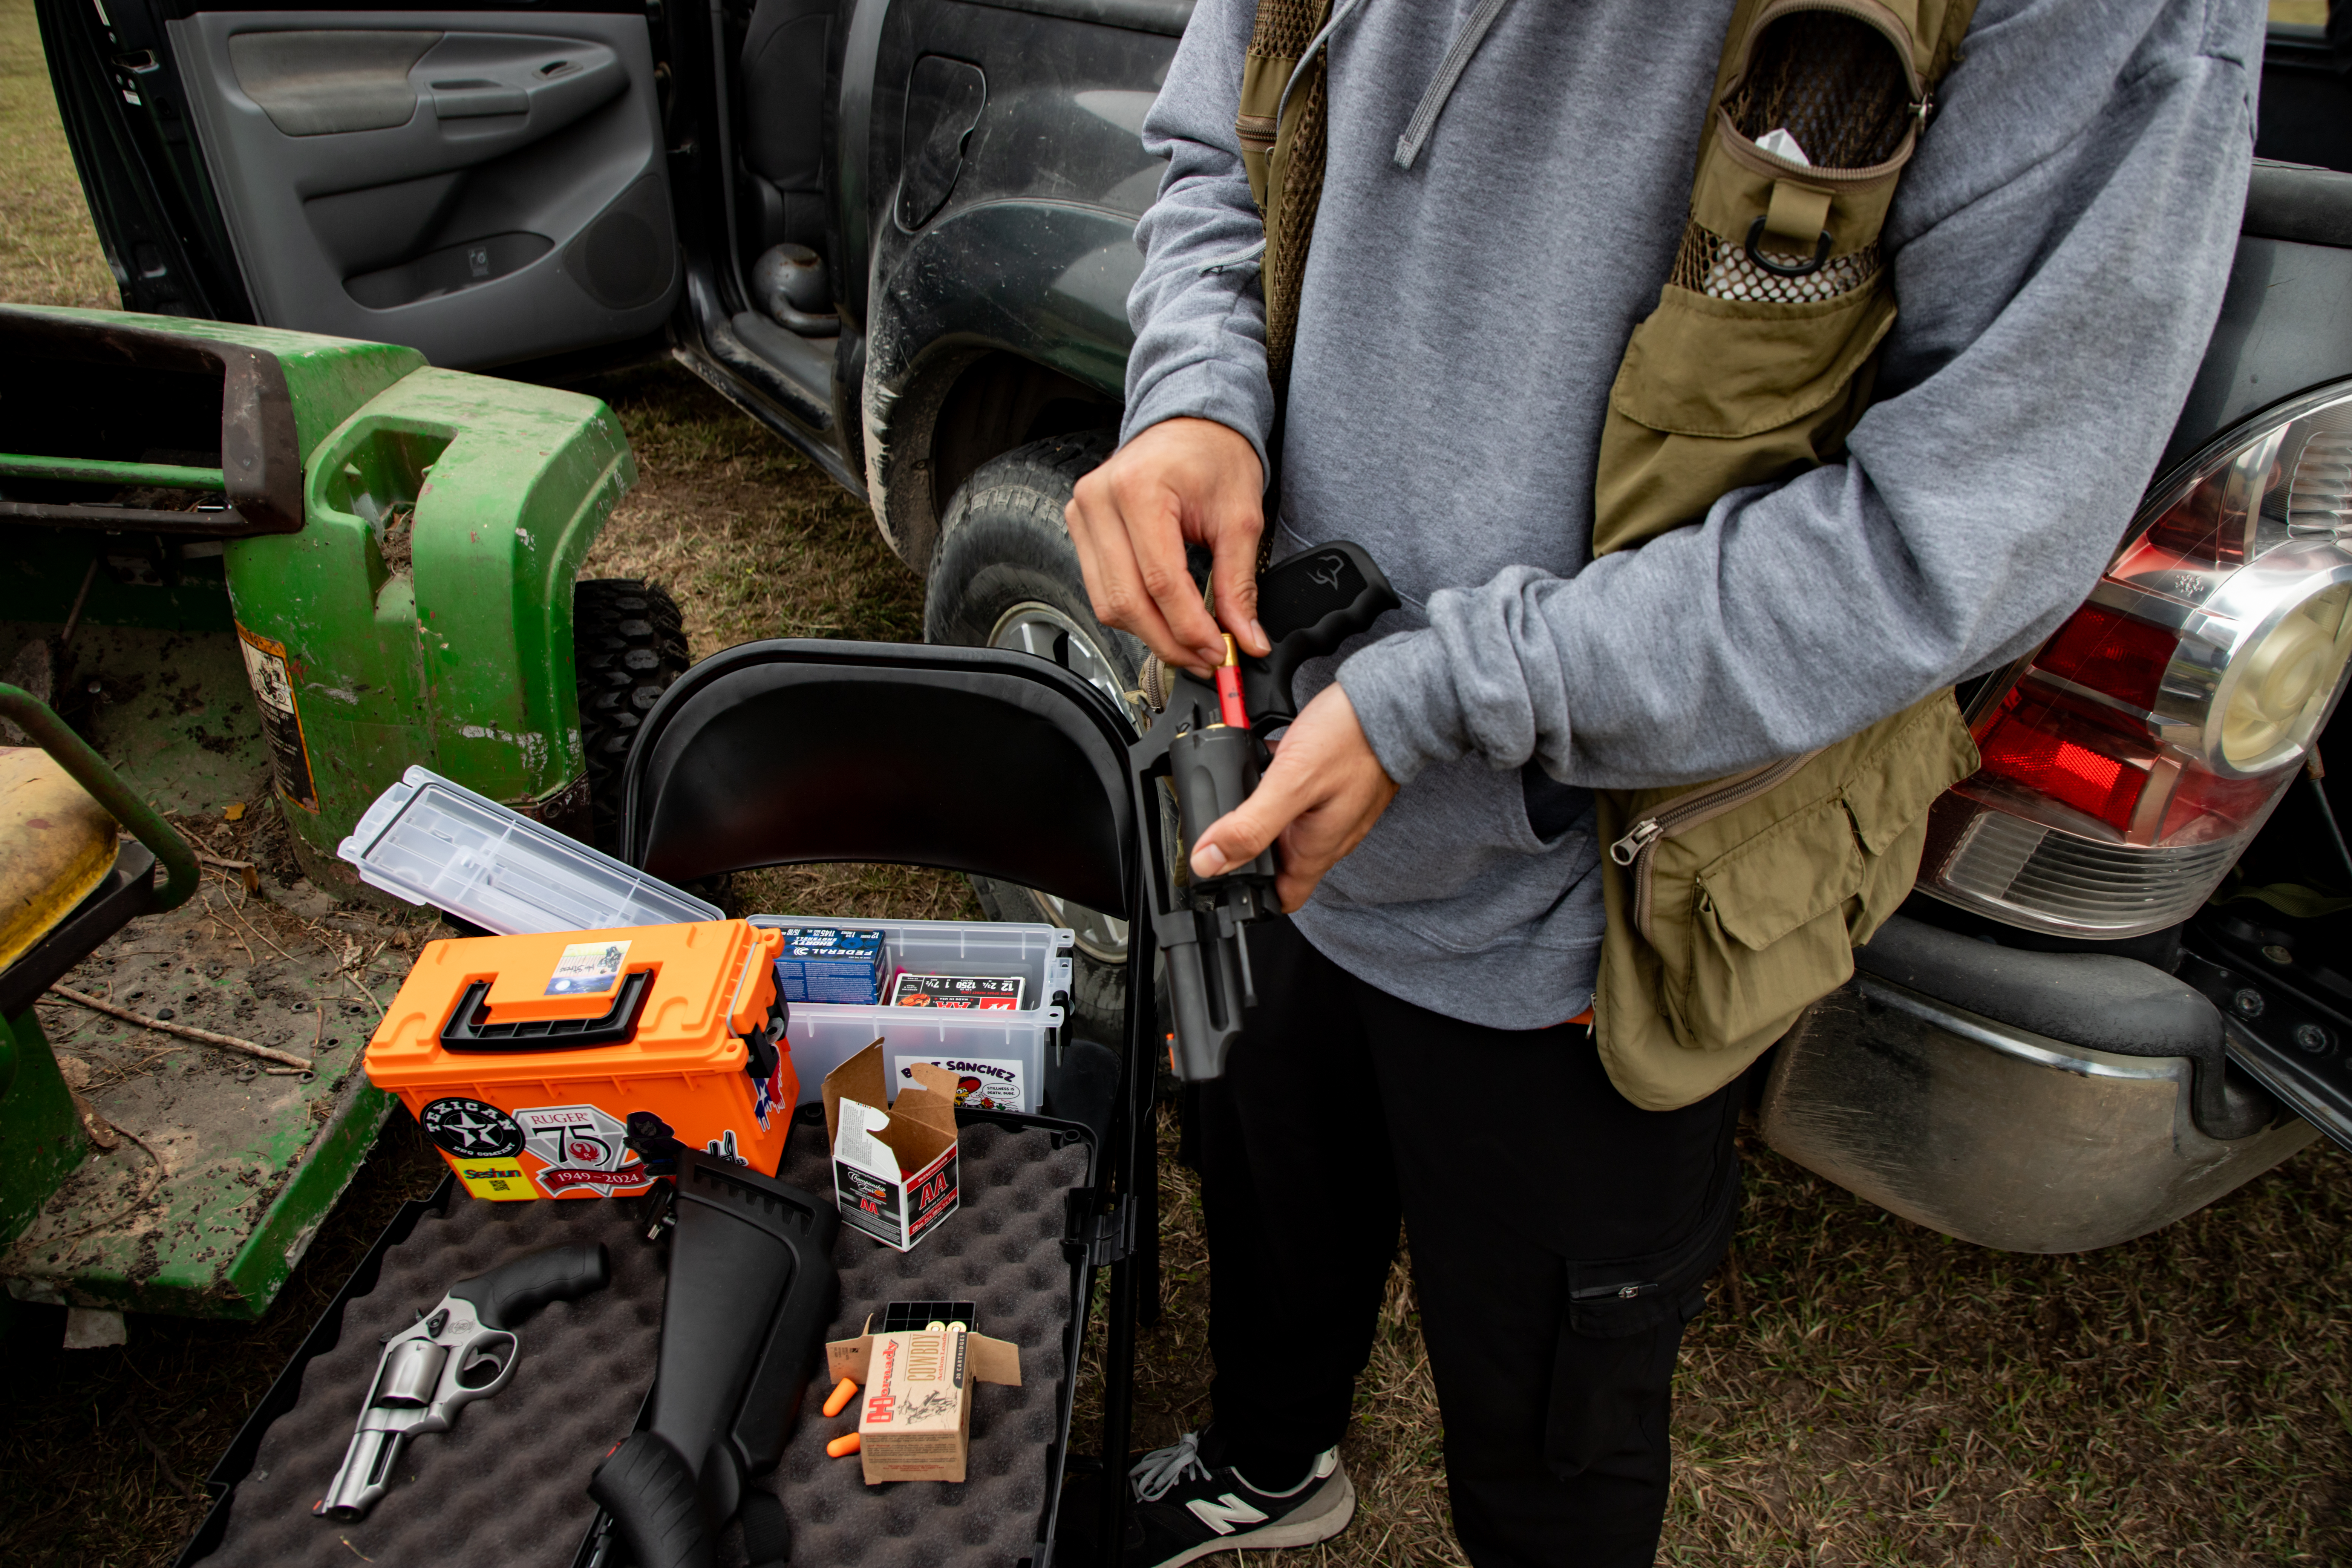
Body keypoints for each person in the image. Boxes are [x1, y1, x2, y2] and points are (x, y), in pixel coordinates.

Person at [1064, 1, 2264, 1563]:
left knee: (1559, 1407)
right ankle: (1271, 1462)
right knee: (1267, 1184)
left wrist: (1450, 696)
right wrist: (1192, 395)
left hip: (1602, 887)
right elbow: (1210, 154)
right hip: (1277, 791)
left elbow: (1957, 536)